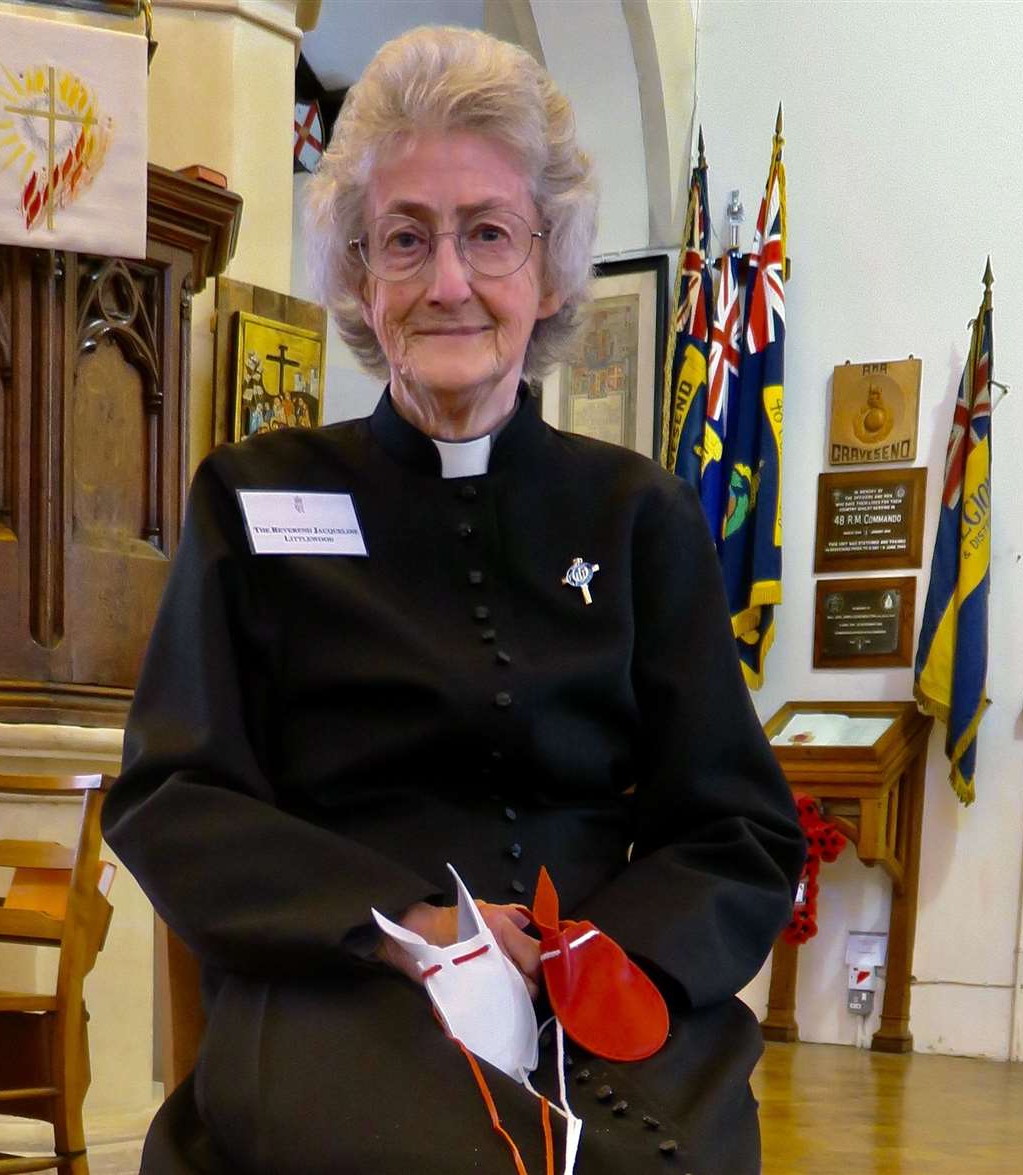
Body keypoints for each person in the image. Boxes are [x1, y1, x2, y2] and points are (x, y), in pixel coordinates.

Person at [103, 26, 804, 1175]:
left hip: (601, 979)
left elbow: (737, 826)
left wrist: (601, 951)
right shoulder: (253, 496)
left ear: (551, 265)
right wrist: (408, 923)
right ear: (356, 271)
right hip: (344, 974)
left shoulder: (640, 513)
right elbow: (173, 795)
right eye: (405, 238)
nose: (447, 282)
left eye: (488, 235)